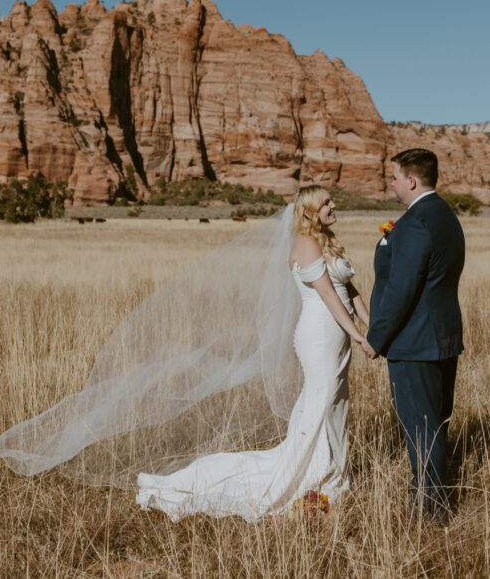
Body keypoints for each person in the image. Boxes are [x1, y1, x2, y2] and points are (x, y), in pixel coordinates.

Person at [135, 185, 369, 520]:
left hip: (338, 334)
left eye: (333, 199)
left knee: (336, 402)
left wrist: (370, 324)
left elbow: (349, 288)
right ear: (308, 212)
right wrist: (358, 336)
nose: (334, 205)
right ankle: (315, 476)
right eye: (326, 203)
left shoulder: (327, 241)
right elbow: (329, 295)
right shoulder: (305, 243)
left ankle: (334, 472)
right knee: (323, 399)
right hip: (320, 335)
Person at [361, 148, 465, 523]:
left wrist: (376, 337)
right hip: (442, 338)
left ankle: (428, 510)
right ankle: (432, 501)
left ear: (411, 180)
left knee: (421, 429)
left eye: (393, 177)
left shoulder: (415, 222)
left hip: (414, 342)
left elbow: (403, 289)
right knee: (435, 424)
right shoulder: (446, 217)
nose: (391, 184)